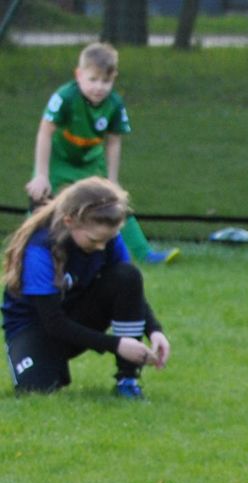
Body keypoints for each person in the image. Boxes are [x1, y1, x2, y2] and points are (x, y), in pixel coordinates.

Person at [4, 176, 169, 397]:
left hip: (76, 317)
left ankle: (127, 381)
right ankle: (45, 364)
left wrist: (154, 330)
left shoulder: (107, 237)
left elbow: (129, 287)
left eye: (107, 240)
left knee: (127, 274)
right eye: (94, 240)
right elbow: (53, 322)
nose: (101, 247)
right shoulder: (40, 249)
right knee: (35, 391)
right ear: (70, 221)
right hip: (37, 326)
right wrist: (116, 344)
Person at [24, 42, 174, 264]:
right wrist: (41, 174)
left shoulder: (114, 104)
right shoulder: (65, 97)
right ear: (79, 75)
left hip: (90, 161)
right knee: (43, 202)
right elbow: (45, 132)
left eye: (106, 81)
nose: (99, 87)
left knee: (113, 201)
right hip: (59, 161)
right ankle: (25, 247)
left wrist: (112, 180)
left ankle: (145, 254)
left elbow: (113, 142)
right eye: (93, 80)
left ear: (114, 78)